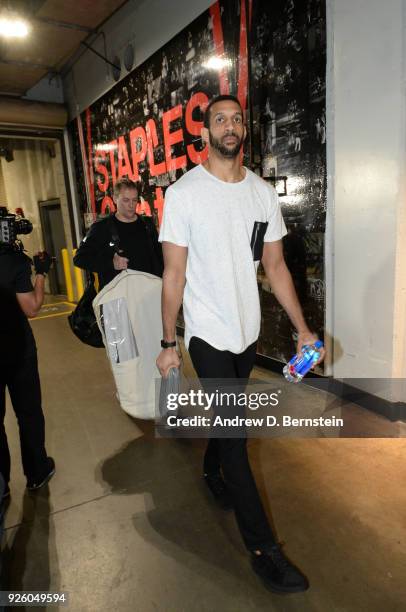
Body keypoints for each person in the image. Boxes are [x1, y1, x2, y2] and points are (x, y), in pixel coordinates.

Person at [156, 94, 325, 593]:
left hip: (245, 331)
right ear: (205, 133)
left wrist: (303, 329)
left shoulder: (261, 194)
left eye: (236, 119)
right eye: (219, 120)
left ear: (243, 130)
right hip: (207, 333)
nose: (230, 126)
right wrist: (170, 339)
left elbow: (275, 266)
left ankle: (212, 472)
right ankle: (264, 551)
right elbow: (173, 273)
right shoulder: (184, 194)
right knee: (236, 440)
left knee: (230, 427)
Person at [0, 246, 55, 498]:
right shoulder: (12, 260)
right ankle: (36, 472)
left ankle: (1, 485)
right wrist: (41, 273)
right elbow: (32, 307)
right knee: (29, 413)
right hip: (17, 351)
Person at [74, 178, 163, 290]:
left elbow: (160, 257)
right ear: (115, 199)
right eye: (126, 200)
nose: (131, 205)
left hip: (149, 294)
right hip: (118, 299)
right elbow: (80, 258)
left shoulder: (147, 224)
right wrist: (111, 263)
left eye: (134, 200)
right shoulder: (101, 227)